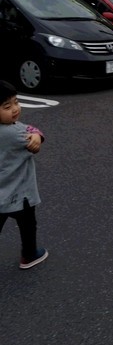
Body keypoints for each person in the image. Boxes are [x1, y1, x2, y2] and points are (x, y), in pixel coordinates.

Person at [0, 80, 48, 269]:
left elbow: (24, 126)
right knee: (28, 225)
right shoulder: (12, 133)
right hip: (20, 194)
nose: (15, 109)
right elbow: (32, 137)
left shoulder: (12, 128)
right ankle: (29, 255)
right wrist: (37, 136)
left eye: (16, 102)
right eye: (7, 106)